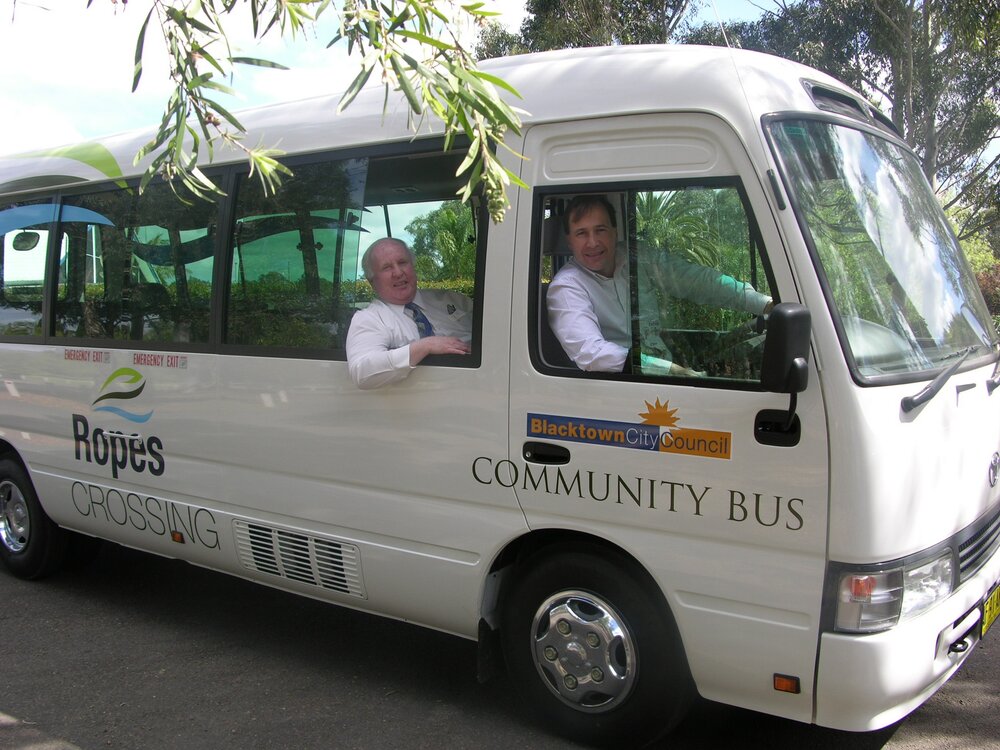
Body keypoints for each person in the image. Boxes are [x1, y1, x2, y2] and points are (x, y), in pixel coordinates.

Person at [546, 195, 772, 375]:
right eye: (581, 233)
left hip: (664, 374)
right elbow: (590, 353)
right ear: (569, 241)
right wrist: (669, 370)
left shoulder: (637, 256)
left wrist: (763, 304)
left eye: (600, 230)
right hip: (622, 388)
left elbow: (696, 280)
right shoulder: (567, 287)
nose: (593, 242)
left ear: (615, 232)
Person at [346, 237, 472, 389]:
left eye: (402, 262)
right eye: (386, 267)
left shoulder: (452, 299)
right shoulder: (370, 319)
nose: (398, 273)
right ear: (372, 281)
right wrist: (425, 346)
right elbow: (362, 373)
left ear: (413, 266)